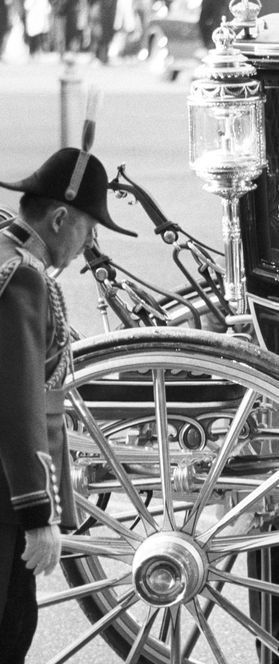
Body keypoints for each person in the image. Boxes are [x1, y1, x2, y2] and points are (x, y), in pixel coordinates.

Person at [0, 147, 136, 663]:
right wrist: (37, 513)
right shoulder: (25, 279)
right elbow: (19, 408)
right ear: (60, 218)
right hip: (7, 499)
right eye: (88, 230)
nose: (88, 246)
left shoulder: (10, 258)